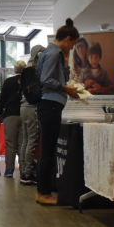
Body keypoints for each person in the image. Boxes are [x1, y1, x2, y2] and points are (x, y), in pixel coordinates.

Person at [36, 19, 81, 204]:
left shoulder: (51, 52)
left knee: (46, 149)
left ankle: (42, 192)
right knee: (47, 150)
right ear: (68, 39)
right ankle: (44, 193)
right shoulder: (54, 53)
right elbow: (46, 79)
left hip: (49, 105)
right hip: (51, 105)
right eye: (73, 44)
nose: (72, 48)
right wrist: (65, 89)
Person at [18, 46, 44, 185]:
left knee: (25, 140)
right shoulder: (34, 71)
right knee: (32, 140)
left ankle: (23, 170)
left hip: (23, 107)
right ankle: (28, 173)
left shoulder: (25, 70)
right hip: (31, 107)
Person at [0, 60, 26, 178]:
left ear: (15, 70)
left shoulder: (8, 82)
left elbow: (2, 99)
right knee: (22, 143)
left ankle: (9, 170)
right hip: (24, 114)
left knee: (10, 144)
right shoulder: (27, 81)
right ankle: (24, 169)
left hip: (10, 115)